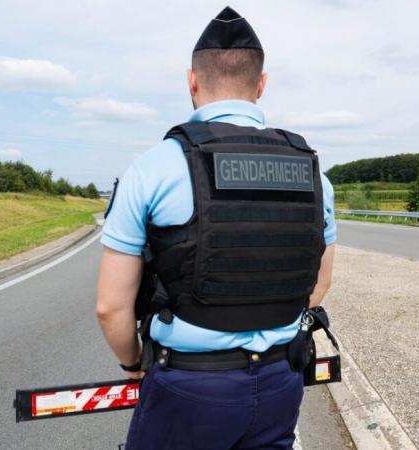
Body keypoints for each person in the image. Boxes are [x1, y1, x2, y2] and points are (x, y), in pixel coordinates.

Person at [96, 6, 336, 449]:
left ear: (192, 81)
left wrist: (134, 363)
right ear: (261, 85)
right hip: (282, 383)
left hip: (189, 388)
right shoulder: (313, 173)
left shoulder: (153, 168)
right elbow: (318, 283)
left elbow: (112, 307)